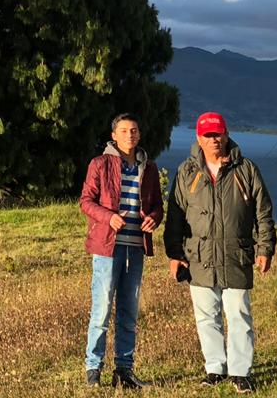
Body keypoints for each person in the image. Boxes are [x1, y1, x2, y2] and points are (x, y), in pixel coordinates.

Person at [164, 112, 275, 394]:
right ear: (198, 138)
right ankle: (215, 368)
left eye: (218, 134)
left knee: (238, 314)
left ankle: (240, 372)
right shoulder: (187, 172)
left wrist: (265, 248)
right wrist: (174, 253)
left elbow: (263, 212)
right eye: (208, 135)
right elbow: (175, 215)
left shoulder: (246, 169)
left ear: (226, 134)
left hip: (235, 253)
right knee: (206, 315)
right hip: (198, 256)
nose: (214, 139)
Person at [80, 112, 165, 388]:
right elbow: (86, 201)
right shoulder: (100, 164)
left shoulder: (148, 168)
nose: (131, 135)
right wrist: (109, 217)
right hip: (107, 248)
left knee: (129, 312)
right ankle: (93, 370)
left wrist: (153, 217)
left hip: (135, 249)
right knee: (102, 309)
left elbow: (157, 206)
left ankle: (124, 371)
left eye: (135, 130)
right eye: (125, 131)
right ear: (114, 135)